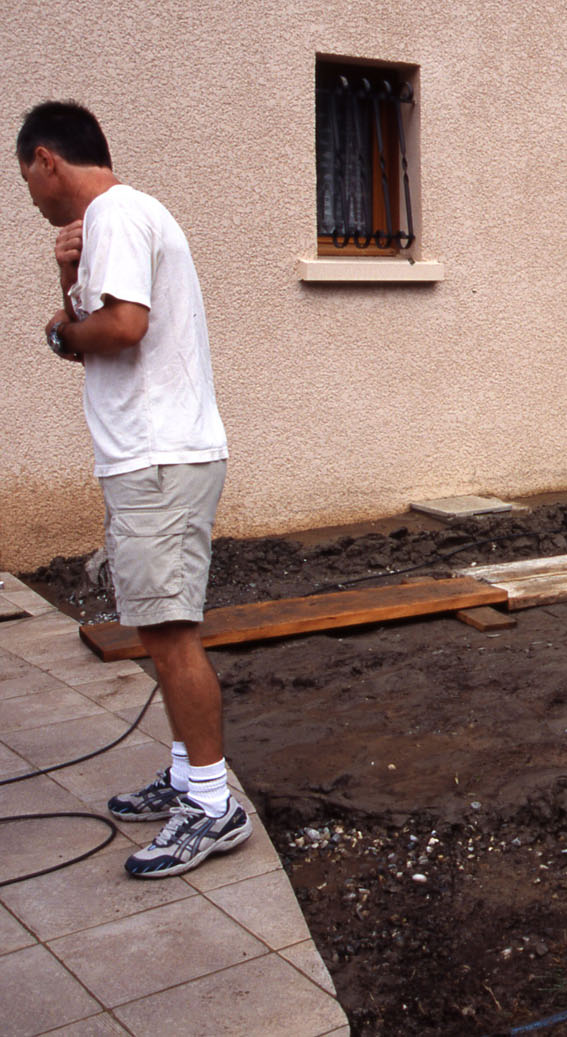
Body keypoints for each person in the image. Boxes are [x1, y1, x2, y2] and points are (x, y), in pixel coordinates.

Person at [17, 101, 249, 879]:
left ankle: (212, 805)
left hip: (158, 458)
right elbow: (96, 324)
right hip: (152, 456)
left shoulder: (114, 212)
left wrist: (58, 330)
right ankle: (188, 778)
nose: (35, 201)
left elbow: (117, 330)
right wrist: (65, 279)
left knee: (171, 634)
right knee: (160, 627)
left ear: (49, 159)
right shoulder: (125, 216)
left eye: (30, 182)